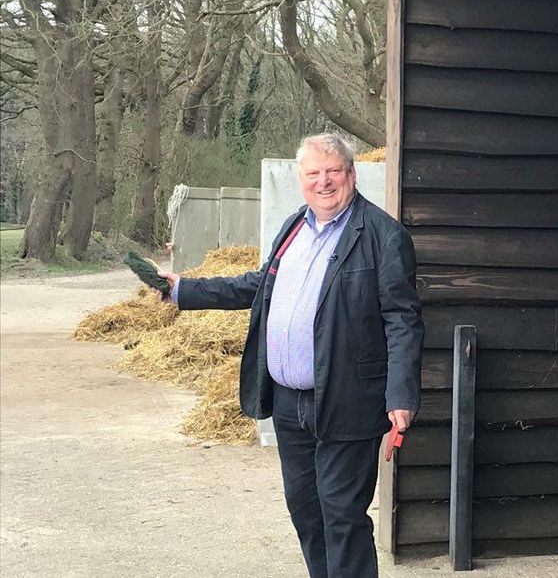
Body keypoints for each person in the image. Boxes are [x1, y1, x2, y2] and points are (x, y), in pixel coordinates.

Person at [158, 133, 423, 578]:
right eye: (313, 174)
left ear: (351, 175)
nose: (324, 182)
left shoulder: (383, 235)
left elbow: (402, 318)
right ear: (302, 180)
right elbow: (258, 285)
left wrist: (401, 394)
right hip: (288, 401)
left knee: (342, 513)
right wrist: (183, 289)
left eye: (333, 171)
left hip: (348, 398)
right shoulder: (293, 227)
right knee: (306, 511)